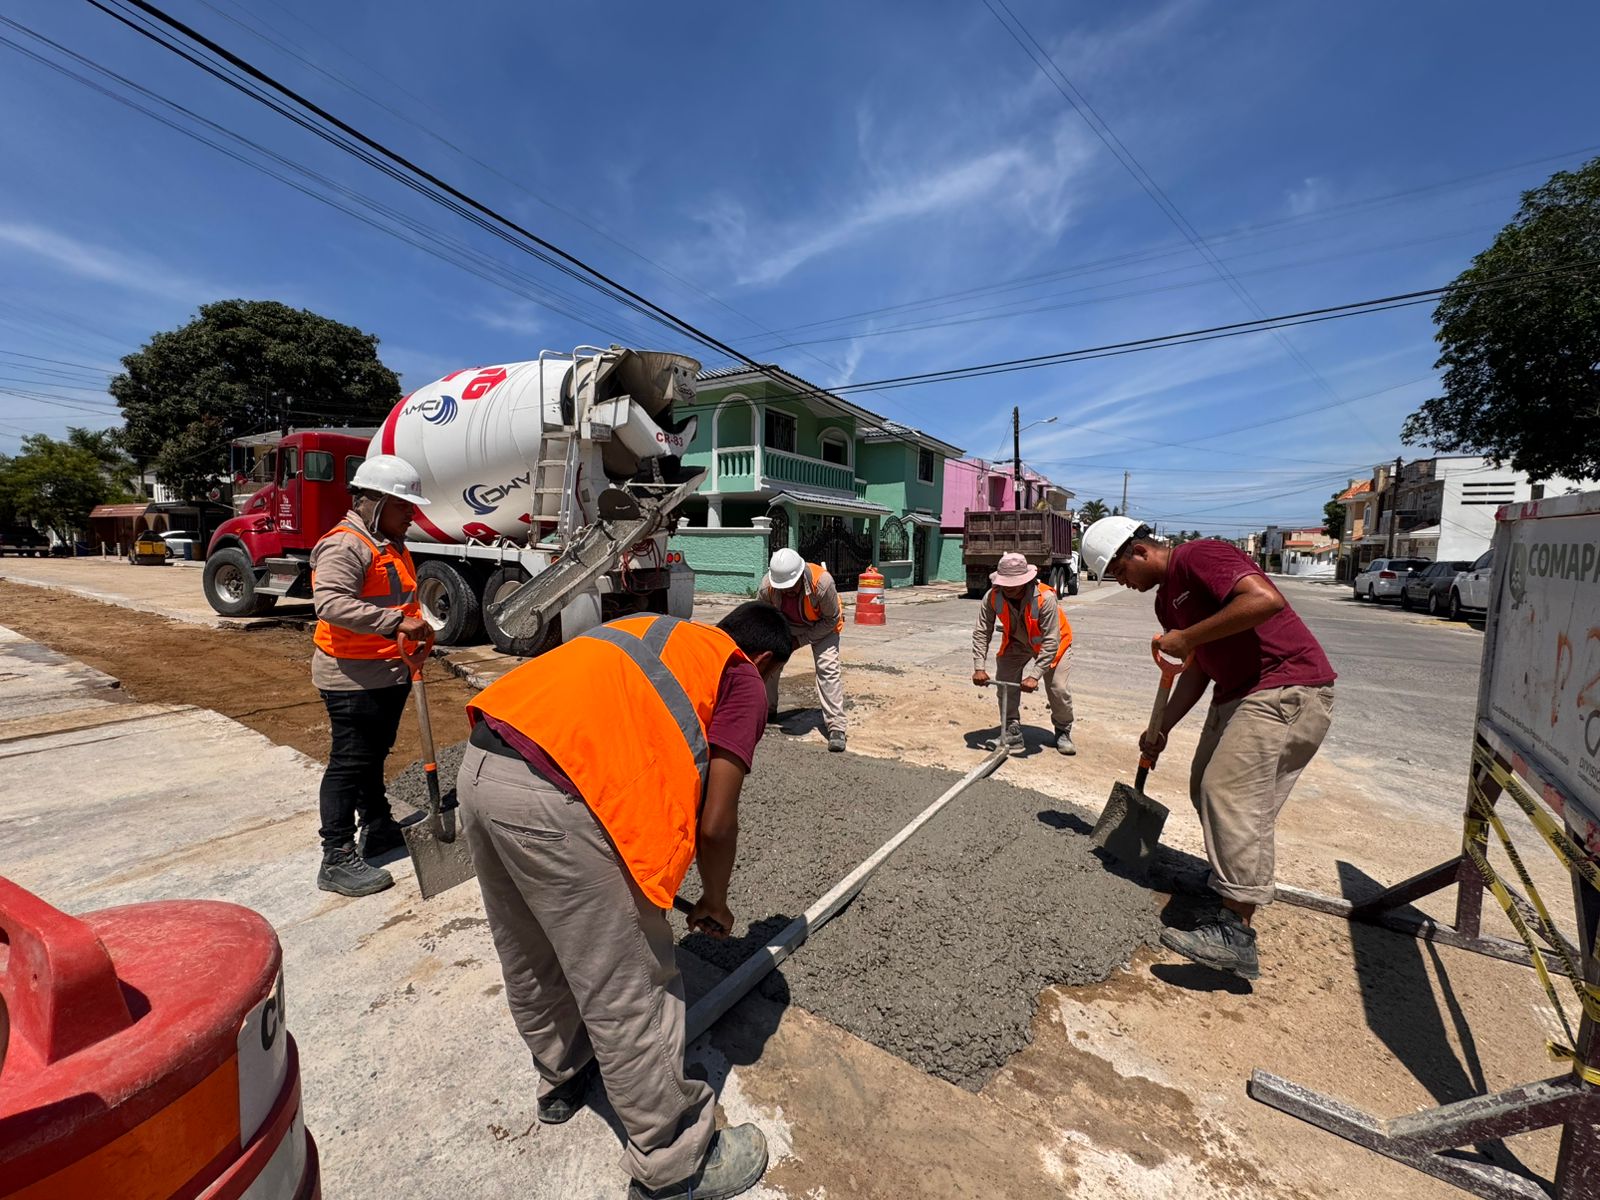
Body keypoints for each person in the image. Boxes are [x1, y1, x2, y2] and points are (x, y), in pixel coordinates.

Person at [458, 602, 792, 1200]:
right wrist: (715, 898)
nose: (767, 694)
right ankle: (675, 1160)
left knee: (530, 950)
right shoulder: (739, 675)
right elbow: (717, 822)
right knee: (629, 986)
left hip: (484, 765)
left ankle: (562, 1076)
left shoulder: (655, 630)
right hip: (554, 798)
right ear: (763, 659)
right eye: (774, 680)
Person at [1081, 517, 1336, 979]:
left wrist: (1188, 636)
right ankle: (1227, 882)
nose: (1123, 584)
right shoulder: (1165, 600)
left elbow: (1264, 600)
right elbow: (1195, 669)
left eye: (1120, 573)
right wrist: (1163, 727)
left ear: (1138, 552)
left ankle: (1236, 931)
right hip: (1236, 693)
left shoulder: (1201, 555)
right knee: (1204, 787)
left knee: (1230, 795)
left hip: (1283, 687)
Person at [309, 454, 435, 898]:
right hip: (352, 677)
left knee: (372, 754)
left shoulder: (389, 541)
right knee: (350, 762)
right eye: (405, 507)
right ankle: (336, 856)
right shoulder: (346, 545)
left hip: (388, 669)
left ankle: (378, 826)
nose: (412, 515)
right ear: (376, 501)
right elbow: (331, 605)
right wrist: (395, 624)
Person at [971, 551, 1076, 754]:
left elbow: (1051, 641)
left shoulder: (1045, 598)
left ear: (1025, 581)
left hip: (1054, 643)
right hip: (1017, 642)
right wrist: (979, 667)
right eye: (1004, 583)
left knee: (1058, 688)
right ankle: (1012, 730)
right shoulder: (992, 595)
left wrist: (1035, 675)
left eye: (1013, 584)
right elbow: (982, 630)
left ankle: (1063, 729)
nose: (1008, 588)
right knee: (1005, 680)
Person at [757, 547, 847, 753]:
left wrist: (800, 641)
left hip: (823, 625)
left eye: (791, 586)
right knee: (770, 662)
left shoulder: (822, 583)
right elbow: (762, 616)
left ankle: (836, 727)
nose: (788, 591)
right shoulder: (767, 588)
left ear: (800, 575)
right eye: (783, 588)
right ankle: (768, 711)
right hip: (788, 625)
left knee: (827, 668)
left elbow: (831, 619)